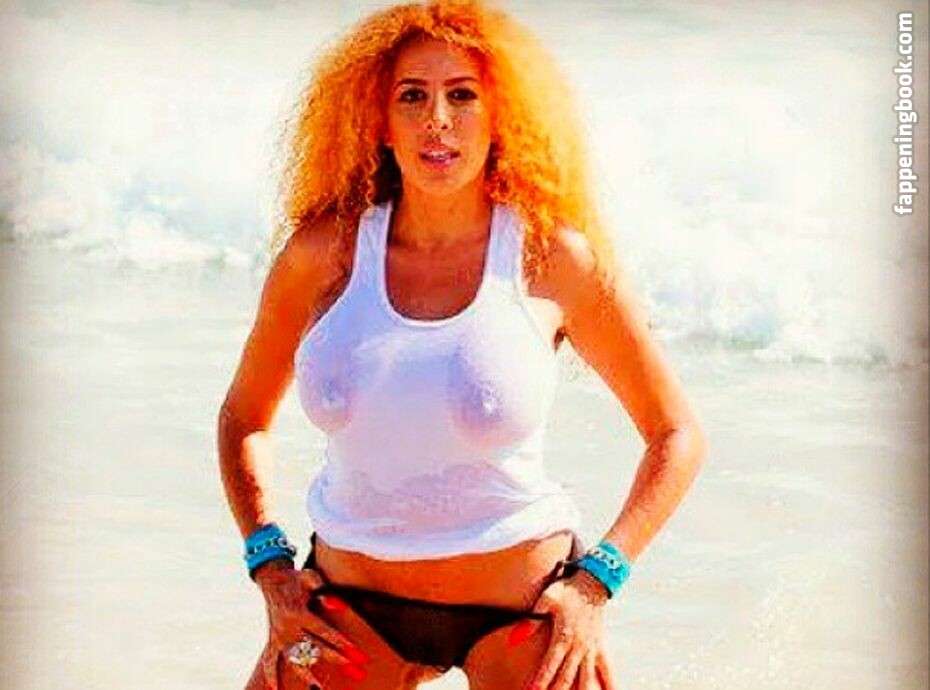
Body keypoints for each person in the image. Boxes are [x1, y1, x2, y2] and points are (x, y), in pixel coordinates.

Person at [217, 2, 708, 689]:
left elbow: (676, 433)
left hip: (522, 613)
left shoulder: (550, 258)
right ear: (378, 120)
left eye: (463, 95)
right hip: (348, 611)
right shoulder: (323, 255)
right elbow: (243, 418)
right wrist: (270, 566)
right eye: (412, 96)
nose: (438, 119)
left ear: (501, 115)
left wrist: (596, 583)